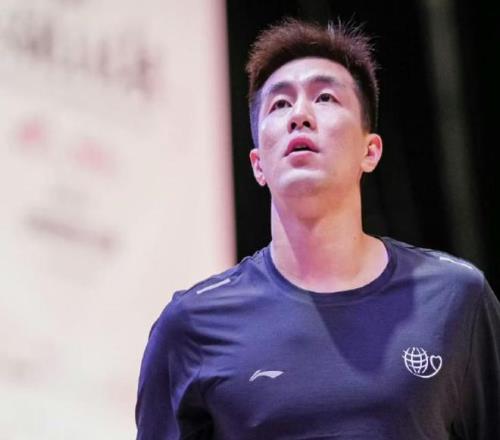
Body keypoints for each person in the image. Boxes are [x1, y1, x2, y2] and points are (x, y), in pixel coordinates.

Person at [135, 18, 500, 439]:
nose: (300, 116)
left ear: (370, 151)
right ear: (257, 164)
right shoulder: (192, 325)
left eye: (325, 97)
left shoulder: (455, 298)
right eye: (279, 104)